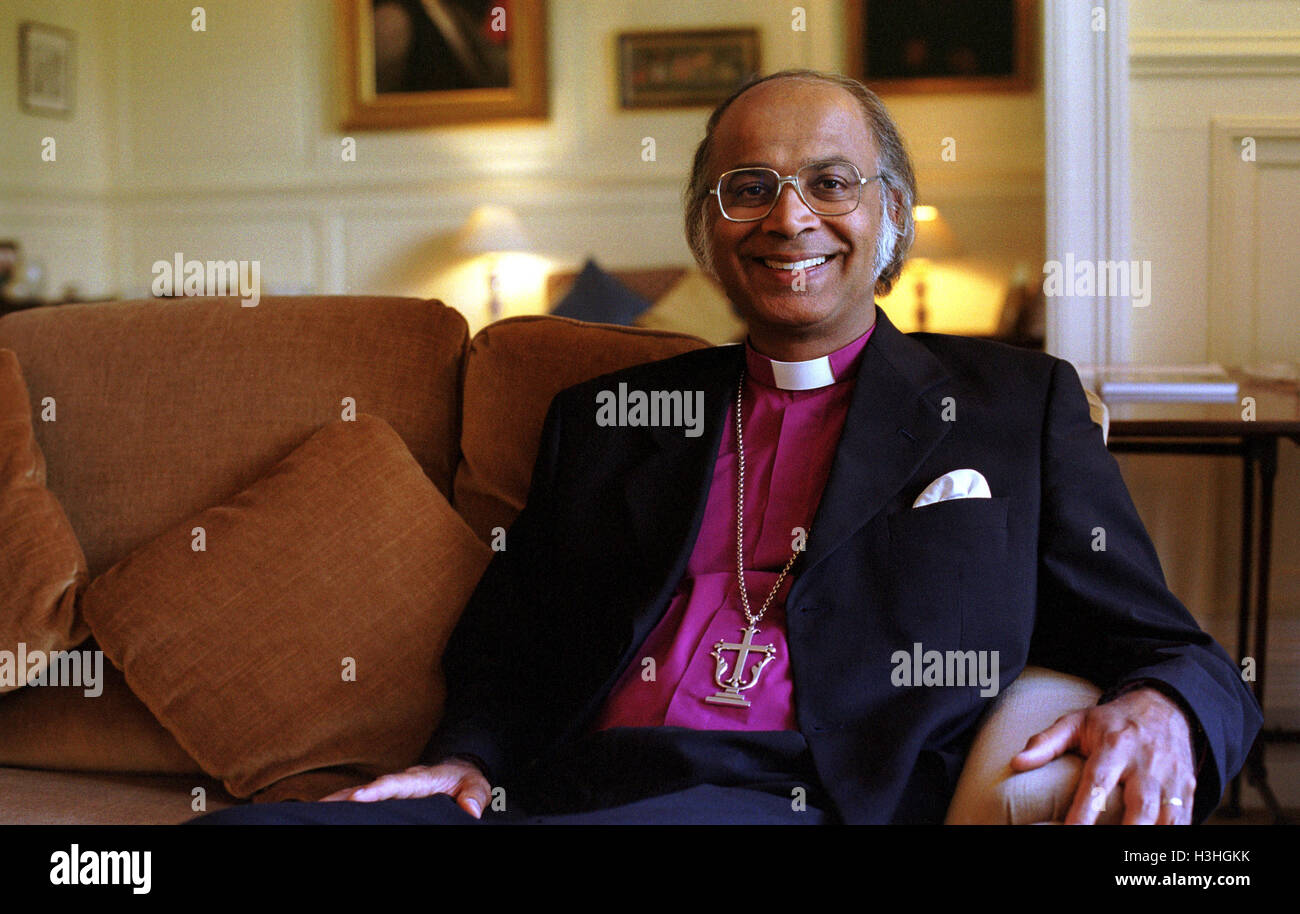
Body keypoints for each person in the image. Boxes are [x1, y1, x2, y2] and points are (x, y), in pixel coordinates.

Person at [194, 69, 1260, 825]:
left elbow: (1169, 644)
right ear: (710, 232)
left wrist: (1163, 703)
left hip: (800, 790)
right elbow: (508, 645)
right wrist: (460, 762)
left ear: (893, 216)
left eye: (830, 182)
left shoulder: (1010, 406)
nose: (787, 216)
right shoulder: (606, 416)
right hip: (575, 786)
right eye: (747, 187)